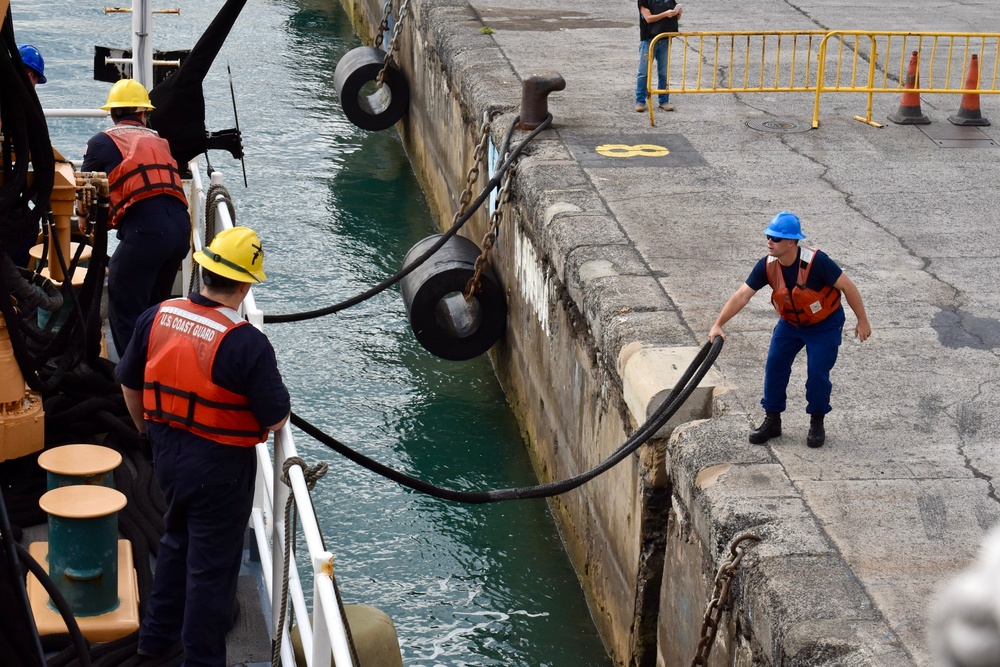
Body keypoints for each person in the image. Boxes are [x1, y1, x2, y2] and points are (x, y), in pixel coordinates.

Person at [117, 226, 290, 666]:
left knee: (176, 542)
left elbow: (130, 384)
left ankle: (155, 642)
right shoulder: (246, 342)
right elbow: (275, 416)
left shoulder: (158, 315)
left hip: (168, 453)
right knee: (212, 571)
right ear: (247, 283)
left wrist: (147, 434)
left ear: (203, 270)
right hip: (221, 469)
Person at [708, 212, 871, 448]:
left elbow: (847, 286)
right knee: (775, 364)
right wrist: (718, 324)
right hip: (791, 324)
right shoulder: (767, 265)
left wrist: (862, 320)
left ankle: (817, 421)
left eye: (775, 238)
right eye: (768, 236)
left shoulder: (817, 262)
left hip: (824, 325)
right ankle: (772, 419)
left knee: (817, 372)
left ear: (792, 242)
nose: (769, 241)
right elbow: (742, 295)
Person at [81, 78, 190, 356]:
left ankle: (132, 382)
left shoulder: (99, 142)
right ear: (143, 114)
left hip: (147, 233)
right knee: (156, 306)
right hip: (179, 230)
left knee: (124, 300)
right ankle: (158, 368)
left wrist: (85, 222)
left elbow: (85, 190)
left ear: (112, 113)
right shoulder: (159, 142)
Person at [635, 0, 682, 113]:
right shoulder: (644, 1)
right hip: (649, 40)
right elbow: (648, 18)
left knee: (663, 72)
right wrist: (665, 14)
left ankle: (664, 101)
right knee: (643, 73)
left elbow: (676, 19)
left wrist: (678, 12)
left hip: (665, 40)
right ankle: (640, 101)